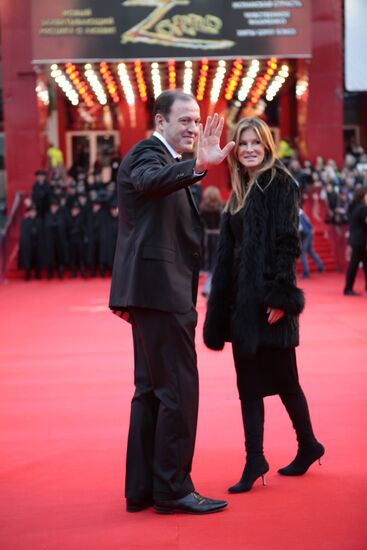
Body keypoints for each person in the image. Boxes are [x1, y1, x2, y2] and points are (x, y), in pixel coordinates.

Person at [109, 89, 234, 515]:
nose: (194, 128)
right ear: (160, 122)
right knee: (178, 390)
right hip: (161, 292)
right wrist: (197, 165)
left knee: (151, 391)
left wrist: (192, 167)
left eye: (197, 121)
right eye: (185, 121)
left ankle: (143, 488)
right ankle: (173, 488)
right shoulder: (148, 153)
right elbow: (147, 182)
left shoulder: (168, 161)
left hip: (153, 292)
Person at [203, 117, 324, 493]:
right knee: (248, 386)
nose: (250, 148)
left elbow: (289, 241)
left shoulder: (280, 182)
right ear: (236, 150)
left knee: (287, 382)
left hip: (270, 300)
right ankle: (254, 458)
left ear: (268, 146)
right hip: (242, 303)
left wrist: (281, 296)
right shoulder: (239, 189)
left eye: (256, 142)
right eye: (243, 143)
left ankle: (307, 445)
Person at [343, 188, 367, 296]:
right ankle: (348, 288)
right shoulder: (362, 208)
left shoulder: (353, 207)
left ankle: (349, 287)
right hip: (359, 240)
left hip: (356, 239)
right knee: (354, 265)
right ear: (363, 196)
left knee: (364, 264)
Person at [299, 207, 324, 278]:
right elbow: (308, 221)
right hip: (309, 232)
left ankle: (306, 273)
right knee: (310, 251)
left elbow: (300, 227)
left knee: (303, 253)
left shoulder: (295, 213)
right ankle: (320, 266)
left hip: (305, 234)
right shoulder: (300, 211)